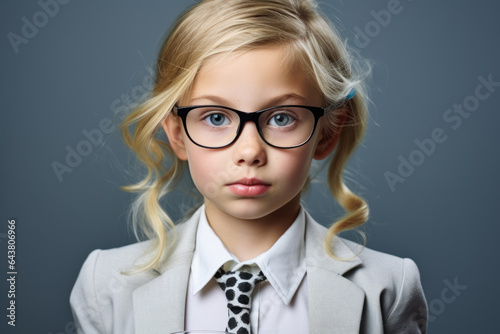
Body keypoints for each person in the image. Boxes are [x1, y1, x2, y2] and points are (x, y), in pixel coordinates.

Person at [70, 0, 427, 333]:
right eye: (214, 117)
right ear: (177, 134)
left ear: (327, 133)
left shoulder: (388, 287)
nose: (250, 151)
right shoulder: (106, 284)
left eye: (283, 117)